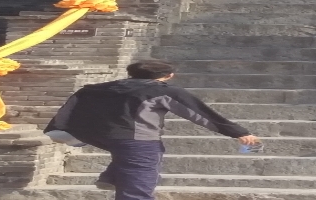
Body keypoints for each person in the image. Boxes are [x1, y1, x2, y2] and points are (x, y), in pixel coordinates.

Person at [47, 60, 259, 200]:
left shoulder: (97, 88)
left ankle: (112, 176)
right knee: (139, 184)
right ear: (169, 76)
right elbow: (199, 113)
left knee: (128, 158)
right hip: (136, 139)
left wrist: (60, 128)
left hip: (98, 136)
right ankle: (118, 180)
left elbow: (72, 106)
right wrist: (238, 132)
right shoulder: (160, 90)